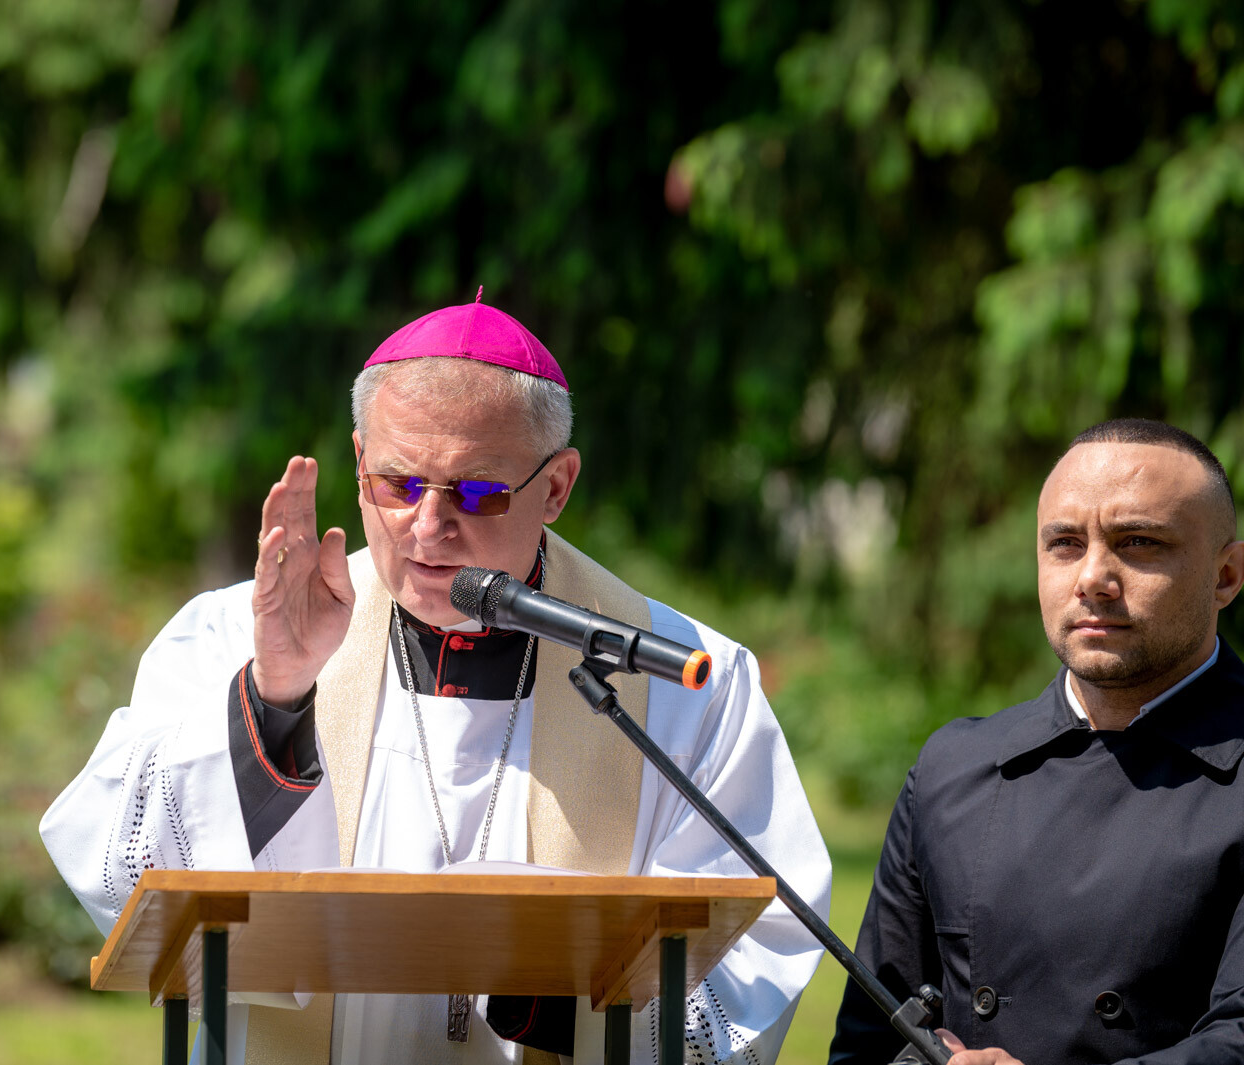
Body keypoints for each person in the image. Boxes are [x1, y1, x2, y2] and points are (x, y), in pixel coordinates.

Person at [42, 294, 832, 1065]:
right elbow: (121, 871)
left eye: (478, 491)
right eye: (398, 483)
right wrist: (274, 697)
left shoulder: (680, 677)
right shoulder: (235, 635)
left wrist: (554, 986)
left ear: (556, 487)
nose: (428, 526)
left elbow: (758, 941)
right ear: (360, 461)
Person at [828, 418, 1244, 1065]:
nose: (1093, 577)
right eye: (1065, 543)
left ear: (1226, 574)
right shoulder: (953, 770)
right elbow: (868, 1042)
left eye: (1138, 542)